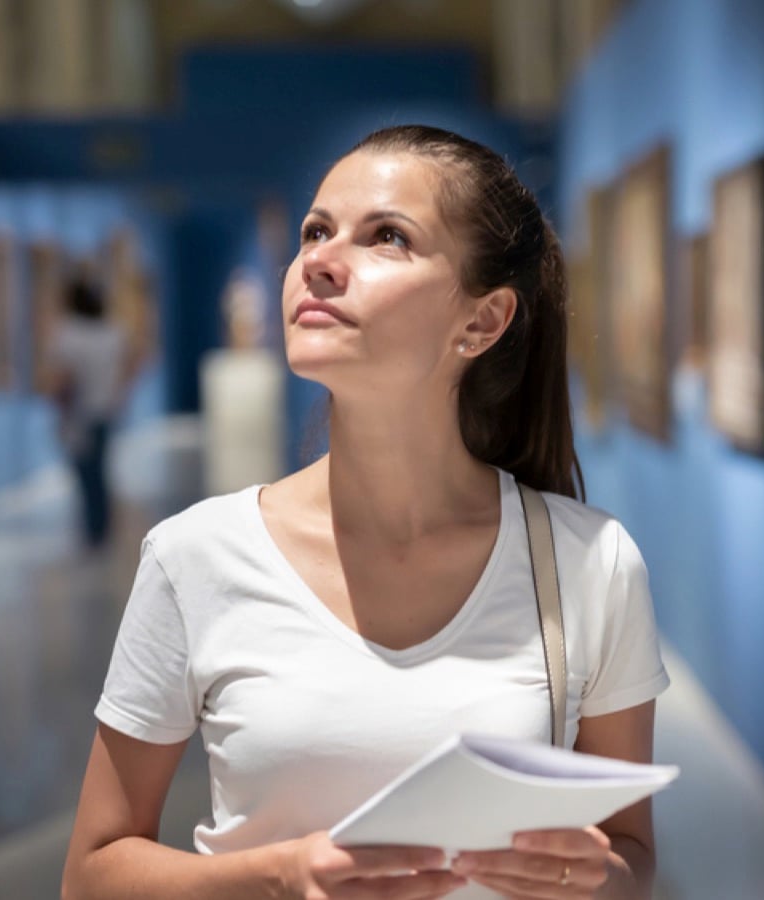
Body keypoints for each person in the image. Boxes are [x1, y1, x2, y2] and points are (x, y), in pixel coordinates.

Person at [62, 125, 670, 899]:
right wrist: (276, 877)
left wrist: (592, 876)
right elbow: (90, 874)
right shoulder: (195, 558)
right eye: (315, 230)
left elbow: (632, 861)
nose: (317, 259)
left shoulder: (591, 563)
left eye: (387, 236)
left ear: (482, 322)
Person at [45, 276, 130, 549]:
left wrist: (62, 412)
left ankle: (95, 531)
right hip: (105, 411)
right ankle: (100, 529)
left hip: (81, 415)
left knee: (86, 474)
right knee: (99, 472)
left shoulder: (69, 334)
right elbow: (126, 369)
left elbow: (64, 381)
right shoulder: (112, 334)